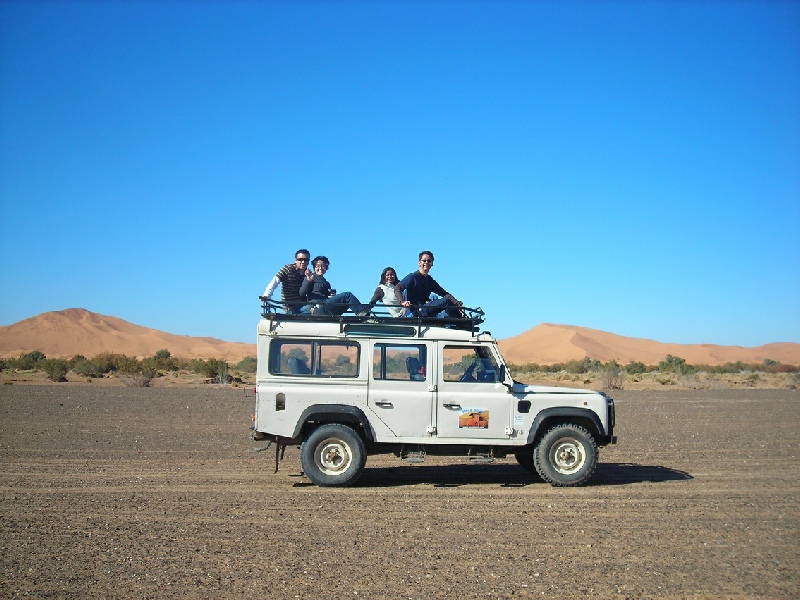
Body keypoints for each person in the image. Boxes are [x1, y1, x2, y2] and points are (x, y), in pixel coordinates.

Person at [395, 251, 463, 318]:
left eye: (429, 261)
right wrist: (402, 302)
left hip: (425, 309)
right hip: (415, 311)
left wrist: (457, 304)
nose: (426, 263)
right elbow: (397, 288)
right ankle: (462, 323)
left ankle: (461, 321)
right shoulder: (412, 277)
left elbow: (444, 293)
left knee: (446, 311)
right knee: (446, 301)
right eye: (424, 261)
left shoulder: (429, 280)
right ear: (419, 263)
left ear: (432, 264)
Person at [298, 256, 367, 316]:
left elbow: (326, 296)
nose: (320, 268)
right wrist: (308, 281)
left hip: (326, 305)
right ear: (314, 267)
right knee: (347, 295)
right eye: (318, 266)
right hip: (317, 306)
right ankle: (364, 314)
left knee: (345, 302)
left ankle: (364, 315)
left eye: (323, 266)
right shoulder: (310, 277)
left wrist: (330, 297)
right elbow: (302, 292)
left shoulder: (327, 283)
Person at [260, 249, 311, 314]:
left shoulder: (308, 274)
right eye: (300, 259)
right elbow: (275, 281)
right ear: (295, 260)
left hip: (304, 305)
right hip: (290, 307)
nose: (303, 262)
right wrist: (267, 295)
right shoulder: (288, 269)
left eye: (306, 260)